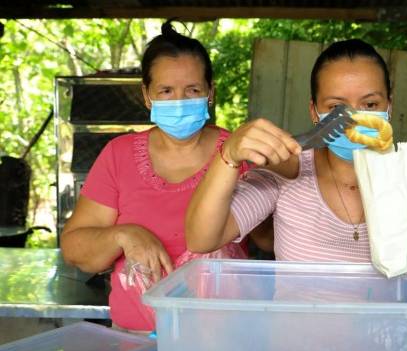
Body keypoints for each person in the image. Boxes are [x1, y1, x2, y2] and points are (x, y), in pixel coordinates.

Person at [185, 39, 407, 330]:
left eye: (370, 104)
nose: (353, 118)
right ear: (314, 112)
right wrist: (228, 155)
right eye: (336, 106)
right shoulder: (287, 173)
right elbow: (201, 238)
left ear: (389, 106)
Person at [60, 20, 267, 332]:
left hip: (222, 341)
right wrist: (123, 235)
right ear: (147, 95)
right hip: (135, 341)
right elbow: (76, 250)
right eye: (166, 91)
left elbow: (273, 239)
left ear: (210, 93)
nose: (180, 101)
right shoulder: (119, 155)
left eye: (193, 90)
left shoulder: (241, 154)